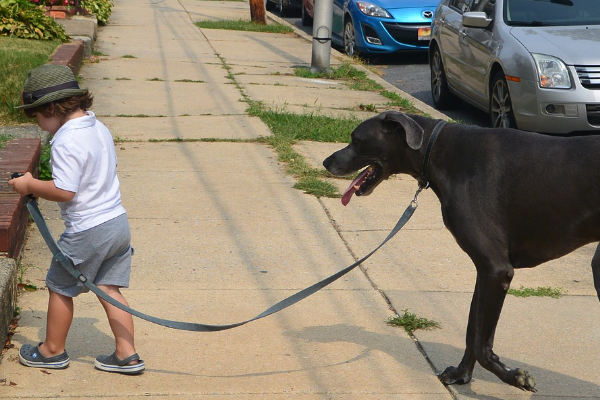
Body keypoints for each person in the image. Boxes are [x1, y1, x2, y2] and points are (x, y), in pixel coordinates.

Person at [8, 64, 144, 375]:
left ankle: (52, 350)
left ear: (53, 108)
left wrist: (29, 185)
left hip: (88, 230)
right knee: (108, 288)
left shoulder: (67, 140)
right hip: (116, 223)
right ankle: (127, 353)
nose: (42, 127)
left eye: (40, 118)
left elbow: (64, 191)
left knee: (60, 286)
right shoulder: (98, 127)